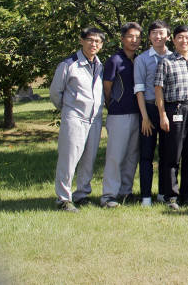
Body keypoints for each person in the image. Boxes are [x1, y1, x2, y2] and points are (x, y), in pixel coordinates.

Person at [51, 27, 106, 212]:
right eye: (90, 40)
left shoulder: (99, 65)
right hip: (74, 118)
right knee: (69, 159)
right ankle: (63, 199)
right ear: (81, 41)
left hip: (95, 119)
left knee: (88, 159)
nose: (94, 44)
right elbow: (55, 93)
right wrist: (69, 109)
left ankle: (82, 194)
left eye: (98, 41)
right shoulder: (69, 64)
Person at [154, 25, 188, 210]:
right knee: (172, 155)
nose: (184, 41)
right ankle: (171, 196)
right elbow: (158, 89)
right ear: (173, 40)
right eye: (180, 38)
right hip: (175, 110)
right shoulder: (166, 62)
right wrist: (162, 115)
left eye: (187, 38)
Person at [100, 22, 142, 208]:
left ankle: (126, 191)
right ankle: (109, 195)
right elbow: (107, 88)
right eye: (130, 36)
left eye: (138, 37)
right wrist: (112, 106)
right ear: (122, 38)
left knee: (132, 155)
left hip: (137, 114)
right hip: (118, 115)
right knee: (115, 156)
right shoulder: (114, 60)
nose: (134, 40)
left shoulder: (138, 59)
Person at [134, 20, 172, 207]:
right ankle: (146, 196)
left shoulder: (174, 57)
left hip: (167, 110)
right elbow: (139, 90)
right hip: (148, 109)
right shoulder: (142, 59)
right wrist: (145, 118)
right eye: (154, 33)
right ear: (149, 36)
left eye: (161, 33)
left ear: (168, 36)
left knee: (167, 154)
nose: (158, 36)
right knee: (147, 155)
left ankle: (164, 193)